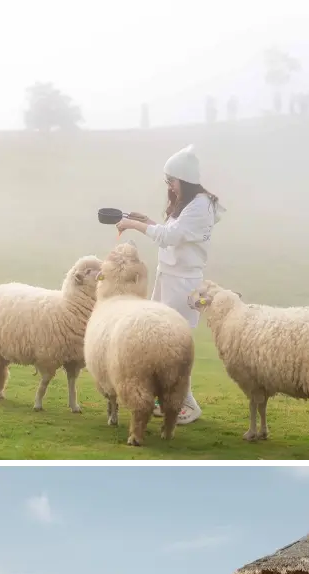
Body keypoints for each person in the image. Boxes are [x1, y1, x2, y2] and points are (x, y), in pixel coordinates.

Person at [115, 144, 225, 425]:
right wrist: (147, 221)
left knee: (173, 344)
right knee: (159, 338)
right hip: (170, 277)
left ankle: (187, 404)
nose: (169, 186)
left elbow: (170, 237)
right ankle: (163, 397)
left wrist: (133, 225)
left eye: (171, 181)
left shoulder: (200, 206)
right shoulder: (191, 204)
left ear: (184, 179)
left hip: (183, 283)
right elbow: (171, 232)